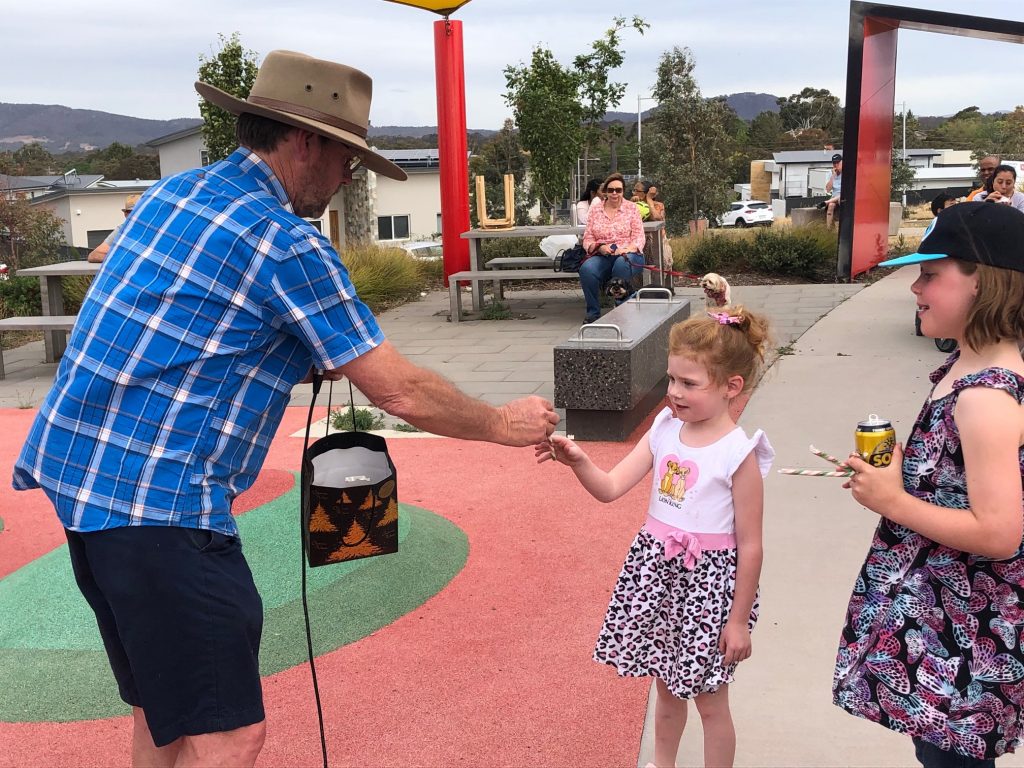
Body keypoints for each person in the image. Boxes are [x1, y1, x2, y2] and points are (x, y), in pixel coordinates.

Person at [11, 50, 559, 768]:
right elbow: (399, 390)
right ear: (305, 142)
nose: (347, 178)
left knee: (163, 711)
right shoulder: (285, 241)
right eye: (347, 160)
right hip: (160, 502)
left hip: (79, 478)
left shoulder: (173, 194)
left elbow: (151, 288)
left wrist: (275, 349)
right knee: (229, 733)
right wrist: (503, 424)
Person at [537, 308, 774, 768]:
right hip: (658, 581)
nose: (674, 392)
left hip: (709, 592)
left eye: (689, 383)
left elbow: (751, 546)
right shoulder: (664, 429)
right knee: (665, 690)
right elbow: (610, 488)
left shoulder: (738, 453)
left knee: (710, 701)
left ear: (731, 387)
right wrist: (579, 461)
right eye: (671, 379)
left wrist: (739, 621)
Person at [832, 201, 1024, 767]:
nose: (915, 288)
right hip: (945, 620)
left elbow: (1000, 533)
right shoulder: (966, 369)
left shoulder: (985, 397)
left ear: (981, 283)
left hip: (967, 637)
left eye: (931, 274)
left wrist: (893, 501)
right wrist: (898, 479)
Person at [579, 171, 646, 323]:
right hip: (603, 254)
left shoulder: (632, 208)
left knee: (621, 265)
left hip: (628, 255)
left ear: (623, 191)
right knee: (586, 269)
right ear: (605, 192)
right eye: (611, 190)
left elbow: (639, 237)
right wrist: (599, 246)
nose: (614, 193)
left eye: (618, 190)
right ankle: (593, 313)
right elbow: (588, 237)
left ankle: (621, 311)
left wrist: (627, 249)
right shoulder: (595, 210)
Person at [87, 193, 140, 263]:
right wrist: (126, 259)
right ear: (125, 214)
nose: (132, 215)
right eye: (129, 212)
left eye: (136, 211)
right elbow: (94, 255)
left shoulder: (153, 229)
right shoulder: (122, 230)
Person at [824, 153, 843, 230]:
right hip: (835, 195)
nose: (836, 165)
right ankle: (828, 228)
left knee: (840, 200)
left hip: (843, 195)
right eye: (834, 163)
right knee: (831, 205)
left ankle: (841, 224)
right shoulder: (830, 173)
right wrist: (833, 176)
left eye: (838, 163)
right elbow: (828, 189)